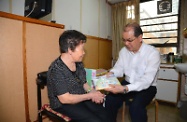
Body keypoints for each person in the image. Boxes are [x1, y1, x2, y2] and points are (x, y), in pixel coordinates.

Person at [47, 30, 108, 122]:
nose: (84, 53)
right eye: (81, 49)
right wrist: (90, 96)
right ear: (70, 50)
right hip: (63, 104)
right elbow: (65, 99)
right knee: (95, 120)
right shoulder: (56, 70)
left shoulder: (78, 63)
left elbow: (83, 83)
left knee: (105, 114)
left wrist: (93, 92)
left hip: (79, 97)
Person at [104, 22, 160, 122]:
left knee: (136, 107)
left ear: (140, 38)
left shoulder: (152, 53)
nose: (126, 43)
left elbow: (147, 80)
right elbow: (119, 68)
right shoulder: (123, 51)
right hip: (128, 83)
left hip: (147, 87)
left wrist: (125, 88)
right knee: (110, 100)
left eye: (129, 40)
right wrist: (111, 73)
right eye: (124, 40)